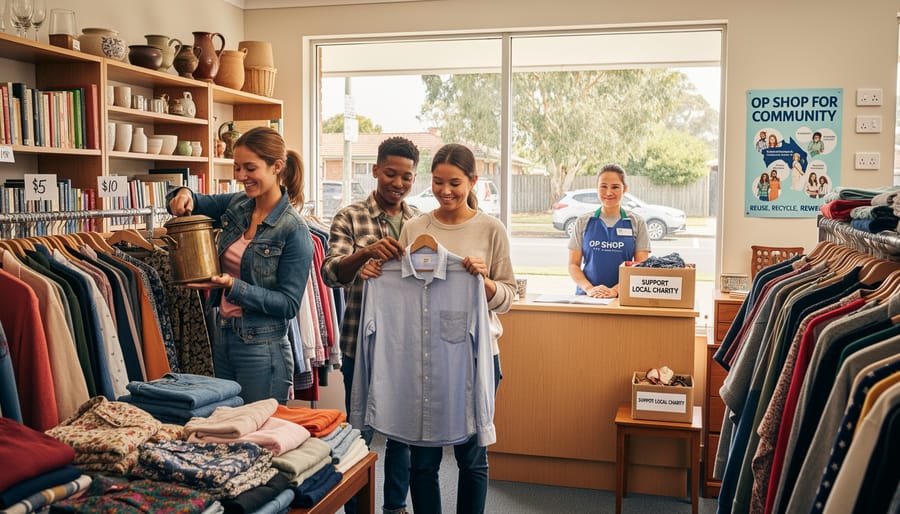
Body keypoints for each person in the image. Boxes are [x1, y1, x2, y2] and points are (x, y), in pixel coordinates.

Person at [363, 143, 515, 514]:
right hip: (422, 359)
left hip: (477, 357)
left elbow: (508, 297)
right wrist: (371, 271)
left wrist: (486, 283)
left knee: (472, 457)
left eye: (455, 183)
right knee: (424, 460)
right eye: (437, 182)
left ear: (473, 182)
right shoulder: (414, 227)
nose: (445, 191)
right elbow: (400, 284)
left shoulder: (491, 230)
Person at [166, 127, 312, 405]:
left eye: (249, 168)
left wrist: (233, 286)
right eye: (236, 167)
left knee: (258, 439)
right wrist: (182, 193)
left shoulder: (293, 230)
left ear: (276, 167)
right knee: (227, 431)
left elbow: (289, 304)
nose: (240, 176)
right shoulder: (237, 204)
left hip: (262, 348)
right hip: (223, 337)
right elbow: (195, 201)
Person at [320, 136, 420, 514]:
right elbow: (331, 273)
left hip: (408, 343)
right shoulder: (349, 216)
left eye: (406, 177)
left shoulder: (420, 223)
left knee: (402, 435)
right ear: (375, 170)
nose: (398, 183)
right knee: (358, 432)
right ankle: (357, 507)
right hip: (359, 341)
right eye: (391, 174)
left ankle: (395, 507)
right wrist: (364, 255)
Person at [567, 163, 651, 298]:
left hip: (622, 297)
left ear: (625, 189)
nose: (609, 192)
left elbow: (640, 267)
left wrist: (615, 290)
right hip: (587, 297)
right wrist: (589, 289)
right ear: (597, 188)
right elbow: (573, 265)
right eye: (603, 186)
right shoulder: (583, 221)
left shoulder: (637, 223)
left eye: (615, 187)